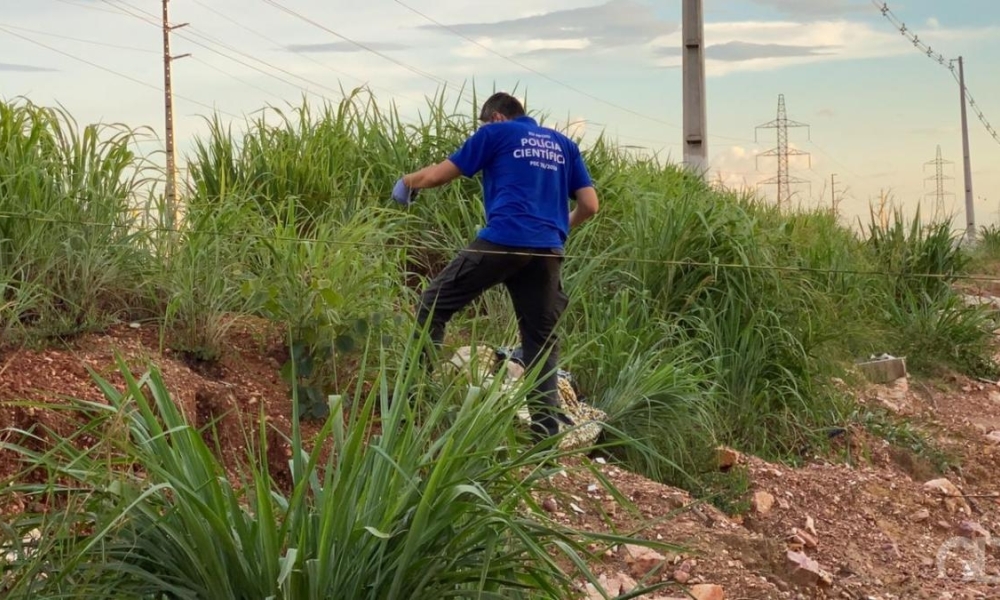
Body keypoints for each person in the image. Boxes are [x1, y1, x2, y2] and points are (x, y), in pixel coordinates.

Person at [392, 91, 599, 440]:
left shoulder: (495, 133)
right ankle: (544, 442)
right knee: (541, 342)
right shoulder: (564, 144)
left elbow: (437, 176)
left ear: (497, 118)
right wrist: (557, 229)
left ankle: (408, 409)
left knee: (433, 304)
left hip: (503, 240)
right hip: (547, 250)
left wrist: (406, 183)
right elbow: (590, 205)